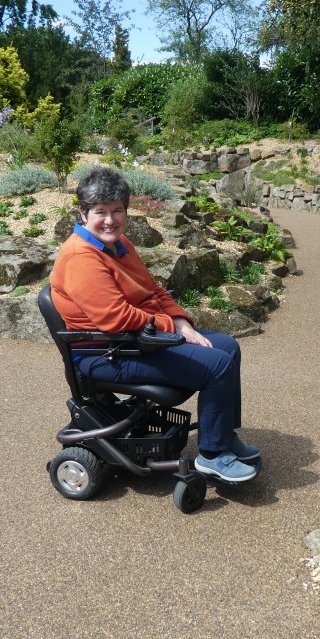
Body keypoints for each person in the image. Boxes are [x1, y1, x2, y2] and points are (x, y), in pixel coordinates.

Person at [49, 166, 260, 482]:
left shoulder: (119, 245)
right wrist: (169, 326)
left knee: (228, 347)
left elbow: (154, 291)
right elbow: (116, 318)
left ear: (126, 211)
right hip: (107, 353)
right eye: (100, 212)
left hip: (138, 340)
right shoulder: (82, 256)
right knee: (217, 365)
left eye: (117, 210)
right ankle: (213, 456)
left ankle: (223, 437)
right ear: (83, 213)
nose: (110, 220)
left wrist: (181, 322)